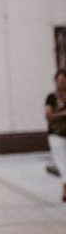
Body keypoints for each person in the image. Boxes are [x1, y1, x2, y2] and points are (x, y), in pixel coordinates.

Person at [44, 69, 66, 202]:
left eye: (63, 80)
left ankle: (64, 191)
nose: (61, 83)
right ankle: (64, 191)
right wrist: (61, 115)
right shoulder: (52, 97)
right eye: (59, 80)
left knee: (64, 164)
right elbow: (47, 115)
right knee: (61, 163)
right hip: (56, 135)